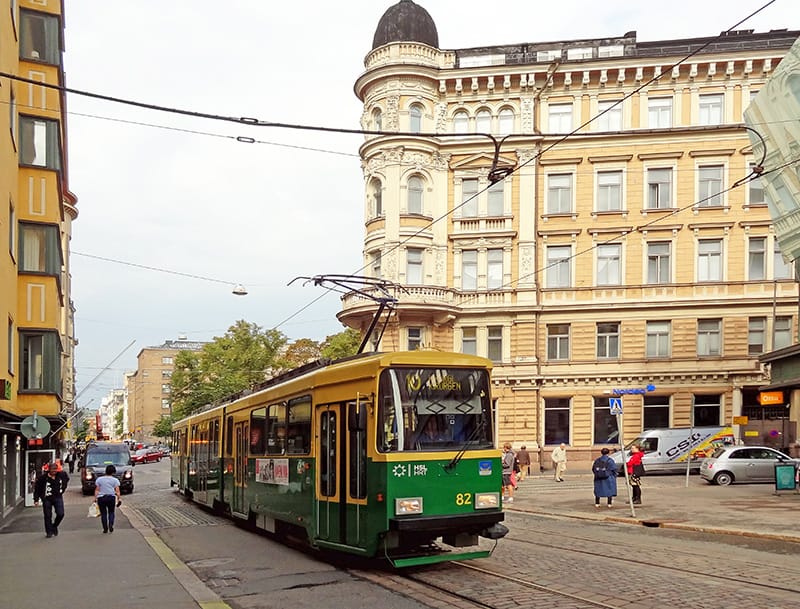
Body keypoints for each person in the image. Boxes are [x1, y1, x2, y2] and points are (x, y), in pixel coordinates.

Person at [33, 461, 70, 538]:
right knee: (47, 515)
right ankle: (49, 532)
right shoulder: (43, 478)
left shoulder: (61, 475)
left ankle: (54, 526)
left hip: (58, 497)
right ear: (49, 470)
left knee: (61, 514)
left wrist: (63, 488)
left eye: (55, 469)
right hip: (47, 498)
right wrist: (36, 500)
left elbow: (66, 479)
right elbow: (37, 489)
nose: (54, 471)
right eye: (52, 470)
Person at [94, 464, 122, 533]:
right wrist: (119, 498)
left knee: (103, 513)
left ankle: (105, 528)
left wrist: (95, 498)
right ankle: (111, 524)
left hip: (101, 498)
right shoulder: (115, 480)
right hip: (111, 497)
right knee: (111, 512)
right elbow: (117, 491)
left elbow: (97, 490)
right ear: (113, 472)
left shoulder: (99, 479)